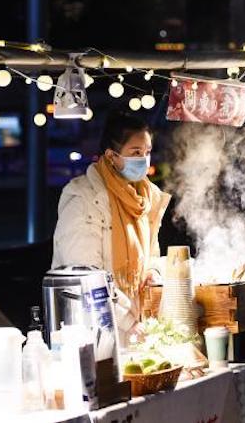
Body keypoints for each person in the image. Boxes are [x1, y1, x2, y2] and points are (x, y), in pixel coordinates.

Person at [53, 111, 171, 336]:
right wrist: (128, 321)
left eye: (147, 152)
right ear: (111, 156)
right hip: (92, 328)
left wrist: (153, 272)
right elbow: (85, 275)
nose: (144, 160)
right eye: (135, 152)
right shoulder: (83, 197)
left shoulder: (146, 198)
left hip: (136, 324)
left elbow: (151, 253)